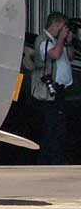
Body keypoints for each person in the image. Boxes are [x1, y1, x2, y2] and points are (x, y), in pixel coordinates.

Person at [29, 11, 73, 165]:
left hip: (61, 90)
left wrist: (67, 42)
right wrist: (61, 39)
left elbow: (70, 57)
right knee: (51, 127)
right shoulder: (43, 40)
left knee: (60, 127)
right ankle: (48, 161)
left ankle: (57, 158)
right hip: (49, 91)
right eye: (62, 27)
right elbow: (54, 55)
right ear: (55, 25)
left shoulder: (56, 41)